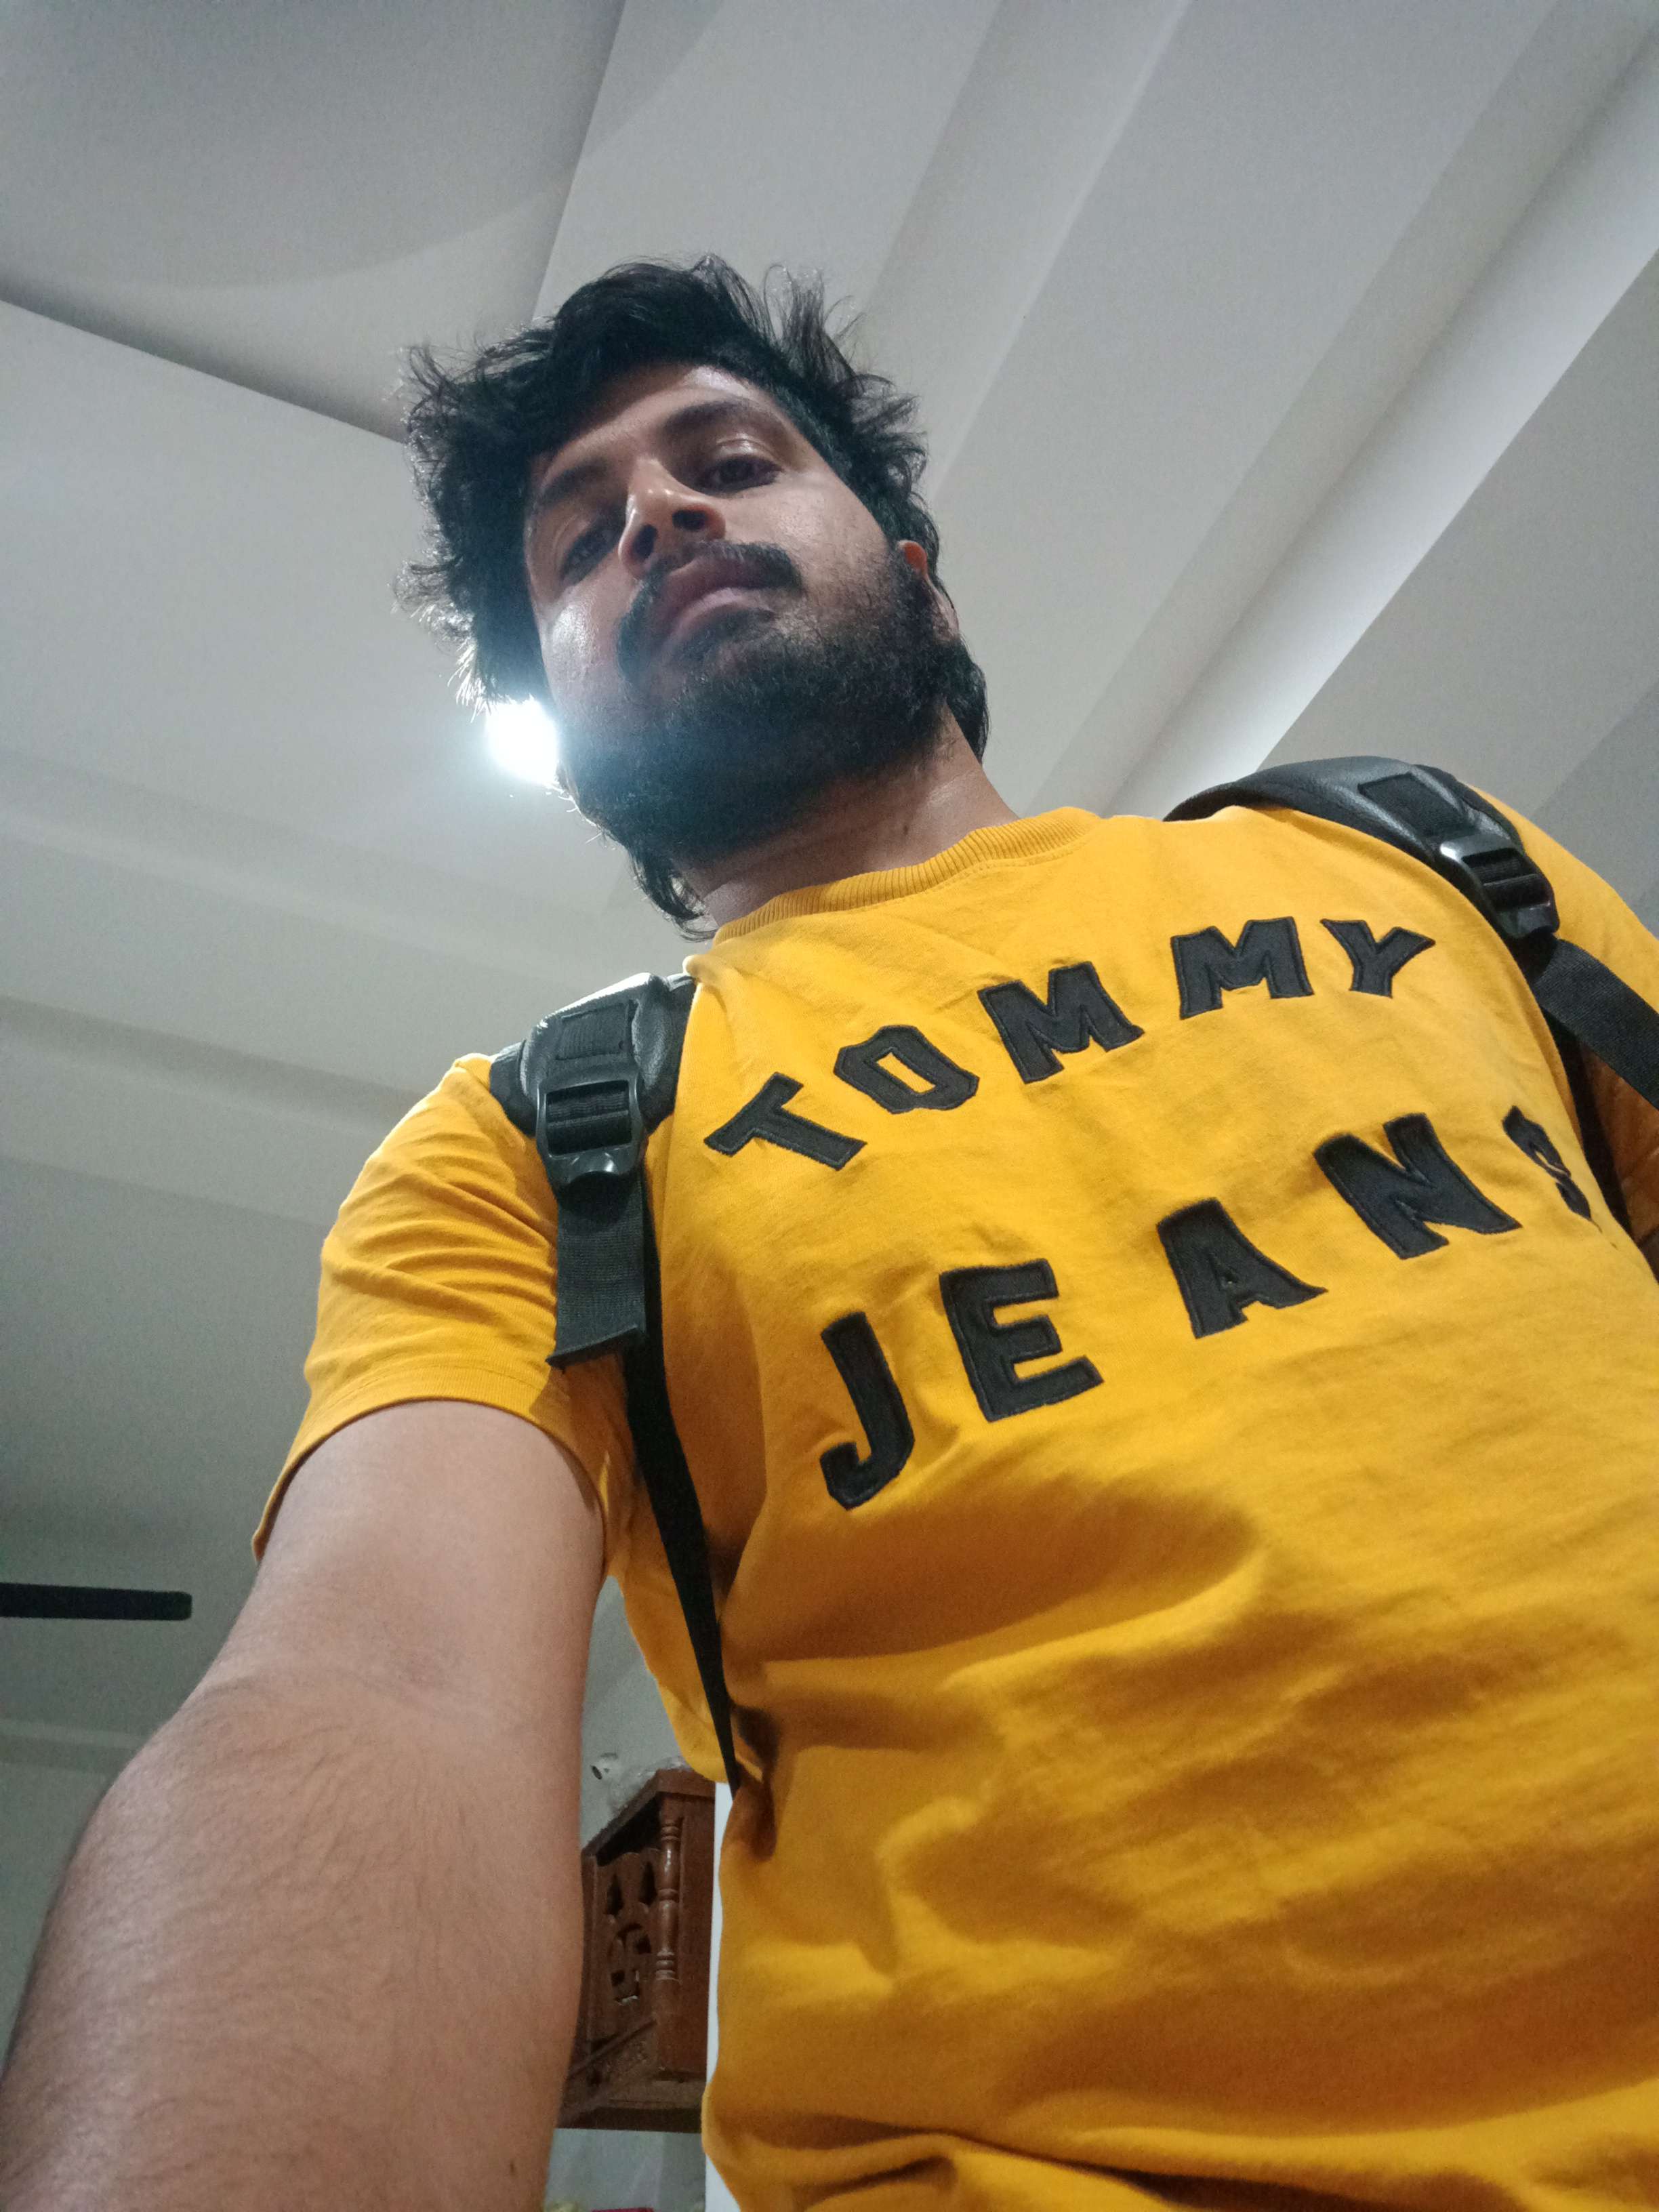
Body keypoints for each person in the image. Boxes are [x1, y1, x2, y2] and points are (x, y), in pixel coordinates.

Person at [3, 258, 1657, 2212]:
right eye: (584, 541)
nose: (659, 514)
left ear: (921, 576)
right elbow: (379, 1702)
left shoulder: (1406, 847)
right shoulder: (530, 1143)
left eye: (727, 461)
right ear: (565, 729)